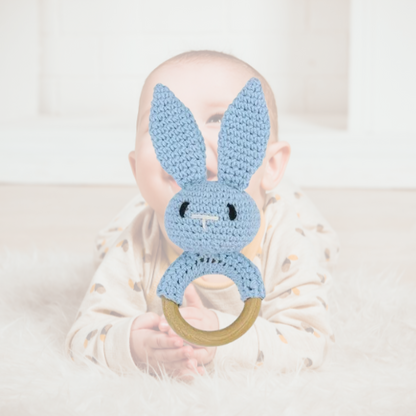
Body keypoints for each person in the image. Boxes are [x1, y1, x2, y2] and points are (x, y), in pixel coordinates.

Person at [65, 50, 340, 380]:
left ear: (269, 164)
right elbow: (85, 334)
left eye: (217, 119)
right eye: (163, 125)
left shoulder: (284, 238)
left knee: (322, 247)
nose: (188, 140)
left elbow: (310, 341)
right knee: (107, 245)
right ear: (137, 169)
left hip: (288, 213)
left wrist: (222, 337)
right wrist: (133, 343)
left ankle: (283, 189)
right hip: (150, 211)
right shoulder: (138, 243)